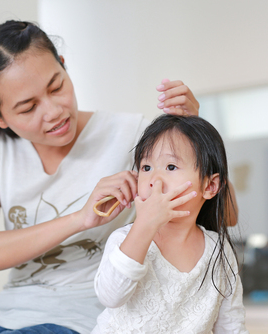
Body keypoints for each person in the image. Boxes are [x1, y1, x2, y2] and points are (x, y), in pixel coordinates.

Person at [0, 20, 204, 334]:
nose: (54, 111)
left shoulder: (131, 135)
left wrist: (193, 137)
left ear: (64, 66)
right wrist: (81, 219)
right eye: (28, 107)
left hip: (87, 320)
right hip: (4, 321)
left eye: (56, 86)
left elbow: (219, 214)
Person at [92, 114, 247, 333]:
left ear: (210, 186)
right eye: (146, 167)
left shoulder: (218, 252)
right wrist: (144, 226)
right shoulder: (124, 240)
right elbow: (110, 296)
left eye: (171, 167)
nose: (154, 179)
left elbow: (231, 324)